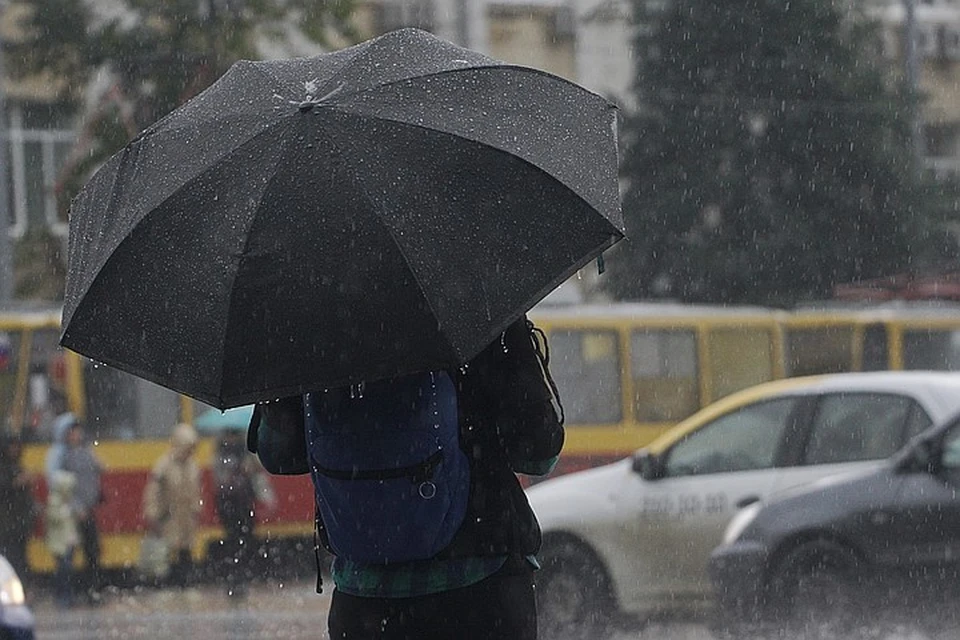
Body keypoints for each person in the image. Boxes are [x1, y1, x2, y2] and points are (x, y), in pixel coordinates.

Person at [266, 316, 565, 640]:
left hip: (365, 601)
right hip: (479, 586)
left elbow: (280, 454)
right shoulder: (478, 309)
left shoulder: (310, 318)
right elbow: (537, 453)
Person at [45, 413, 104, 601]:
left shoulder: (84, 451)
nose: (77, 435)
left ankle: (92, 591)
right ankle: (65, 594)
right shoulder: (60, 455)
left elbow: (95, 474)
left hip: (87, 510)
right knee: (66, 555)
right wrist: (76, 506)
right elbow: (59, 485)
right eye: (72, 431)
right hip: (67, 515)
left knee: (92, 552)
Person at [213, 430, 275, 598]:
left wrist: (250, 468)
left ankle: (242, 578)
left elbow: (259, 472)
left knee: (246, 541)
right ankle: (234, 579)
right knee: (233, 542)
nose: (231, 439)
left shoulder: (247, 452)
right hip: (229, 507)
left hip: (245, 506)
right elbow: (220, 479)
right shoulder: (221, 454)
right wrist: (234, 472)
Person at [142, 422, 202, 588]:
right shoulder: (163, 465)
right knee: (166, 551)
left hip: (186, 515)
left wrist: (197, 507)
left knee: (186, 549)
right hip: (168, 515)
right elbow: (153, 491)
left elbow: (195, 490)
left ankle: (185, 582)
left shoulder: (192, 466)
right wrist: (152, 513)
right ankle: (166, 583)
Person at [0, 435, 37, 579]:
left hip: (19, 522)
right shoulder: (4, 467)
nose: (14, 450)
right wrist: (17, 482)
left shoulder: (16, 465)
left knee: (20, 557)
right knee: (10, 557)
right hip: (6, 522)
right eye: (11, 446)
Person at [45, 470, 80, 609]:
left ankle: (68, 596)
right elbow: (53, 518)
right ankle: (63, 596)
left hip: (69, 541)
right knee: (63, 569)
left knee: (68, 569)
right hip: (60, 543)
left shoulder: (70, 501)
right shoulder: (55, 502)